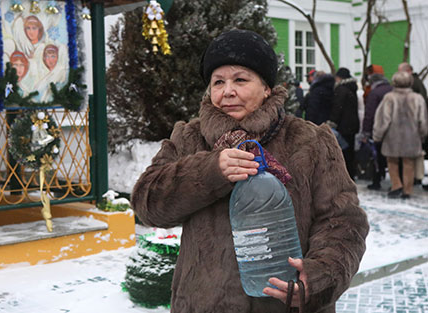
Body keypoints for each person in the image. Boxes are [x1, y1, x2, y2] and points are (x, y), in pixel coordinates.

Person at [131, 29, 369, 313]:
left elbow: (344, 221)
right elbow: (147, 203)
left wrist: (318, 277)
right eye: (218, 81)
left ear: (267, 88)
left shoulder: (310, 141)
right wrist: (209, 172)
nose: (227, 90)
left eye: (240, 79)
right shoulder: (189, 139)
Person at [372, 71, 428, 199]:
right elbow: (423, 120)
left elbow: (383, 119)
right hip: (412, 137)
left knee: (392, 161)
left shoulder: (389, 98)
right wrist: (423, 134)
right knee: (409, 163)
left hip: (393, 137)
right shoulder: (417, 98)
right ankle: (407, 190)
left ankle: (396, 185)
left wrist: (378, 135)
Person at [327, 67, 360, 180]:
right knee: (350, 151)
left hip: (343, 126)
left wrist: (332, 122)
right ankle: (351, 173)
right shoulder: (352, 88)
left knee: (343, 152)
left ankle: (345, 175)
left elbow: (337, 108)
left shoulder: (341, 90)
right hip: (352, 125)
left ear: (339, 77)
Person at [362, 68, 392, 190]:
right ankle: (396, 183)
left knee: (377, 156)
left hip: (378, 128)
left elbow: (369, 113)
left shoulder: (374, 93)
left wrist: (366, 132)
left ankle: (376, 180)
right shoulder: (392, 90)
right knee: (392, 157)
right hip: (392, 129)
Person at [398, 62, 428, 186]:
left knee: (408, 157)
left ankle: (410, 181)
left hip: (411, 126)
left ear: (408, 71)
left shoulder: (414, 84)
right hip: (412, 126)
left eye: (401, 71)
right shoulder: (416, 83)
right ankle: (412, 180)